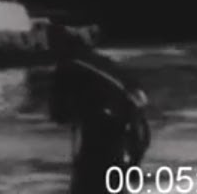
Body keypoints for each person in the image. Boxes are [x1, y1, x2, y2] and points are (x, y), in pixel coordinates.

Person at [49, 27, 150, 194]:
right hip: (128, 134)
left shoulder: (68, 66)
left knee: (88, 184)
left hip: (103, 136)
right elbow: (137, 100)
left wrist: (76, 112)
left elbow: (58, 114)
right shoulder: (105, 64)